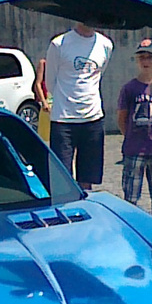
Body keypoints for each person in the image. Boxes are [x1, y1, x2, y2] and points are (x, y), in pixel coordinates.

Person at [39, 22, 112, 192]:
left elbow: (98, 75)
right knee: (62, 179)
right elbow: (50, 82)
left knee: (87, 180)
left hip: (93, 118)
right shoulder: (59, 44)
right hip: (63, 120)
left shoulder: (106, 44)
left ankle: (85, 214)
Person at [117, 38, 152, 218]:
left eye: (150, 57)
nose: (146, 62)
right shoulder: (129, 88)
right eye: (142, 58)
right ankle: (133, 225)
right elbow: (122, 118)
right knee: (131, 194)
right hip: (134, 149)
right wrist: (130, 137)